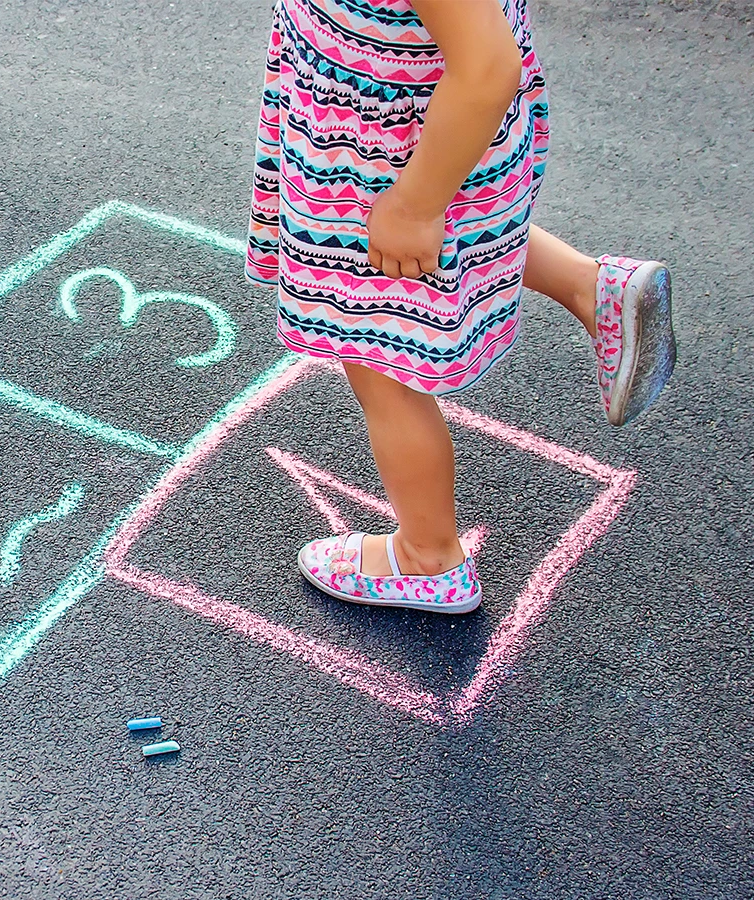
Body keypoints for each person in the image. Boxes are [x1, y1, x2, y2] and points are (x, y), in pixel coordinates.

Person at [246, 0, 676, 613]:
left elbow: (486, 67)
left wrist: (416, 204)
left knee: (379, 362)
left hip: (393, 161)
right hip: (410, 130)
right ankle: (591, 287)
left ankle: (428, 557)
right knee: (464, 243)